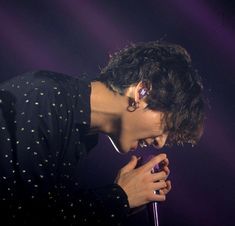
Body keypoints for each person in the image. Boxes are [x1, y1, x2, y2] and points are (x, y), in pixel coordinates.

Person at [0, 41, 205, 225]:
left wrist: (127, 200)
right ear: (142, 92)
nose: (161, 142)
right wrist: (120, 197)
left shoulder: (81, 137)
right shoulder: (46, 96)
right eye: (167, 126)